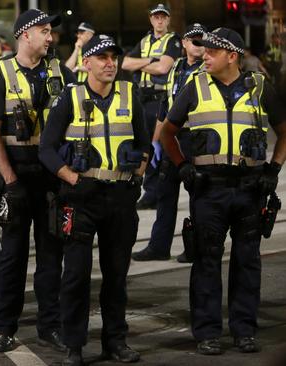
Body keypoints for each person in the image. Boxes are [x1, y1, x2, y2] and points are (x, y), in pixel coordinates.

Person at [160, 27, 286, 356]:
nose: (205, 56)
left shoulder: (260, 87)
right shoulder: (193, 87)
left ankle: (244, 330)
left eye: (212, 52)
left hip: (250, 187)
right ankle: (207, 332)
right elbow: (166, 133)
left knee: (247, 261)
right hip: (209, 187)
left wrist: (273, 168)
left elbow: (284, 131)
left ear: (232, 56)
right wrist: (182, 166)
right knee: (206, 261)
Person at [40, 34, 150, 365]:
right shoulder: (68, 98)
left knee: (116, 275)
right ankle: (74, 344)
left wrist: (137, 177)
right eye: (102, 57)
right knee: (75, 275)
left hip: (119, 197)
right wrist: (71, 177)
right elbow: (46, 148)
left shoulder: (131, 94)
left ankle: (115, 341)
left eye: (114, 57)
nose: (110, 63)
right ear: (86, 63)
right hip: (80, 198)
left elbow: (145, 143)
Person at [0, 9, 75, 353]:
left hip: (52, 178)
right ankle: (5, 326)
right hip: (17, 175)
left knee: (52, 257)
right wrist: (10, 181)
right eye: (44, 31)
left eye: (50, 32)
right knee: (13, 256)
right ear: (24, 35)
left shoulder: (61, 73)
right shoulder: (0, 73)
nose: (50, 38)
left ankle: (49, 326)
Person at [132, 23, 207, 262]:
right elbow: (165, 106)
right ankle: (159, 246)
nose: (199, 44)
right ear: (184, 43)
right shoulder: (176, 68)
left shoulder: (209, 69)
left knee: (198, 197)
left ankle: (196, 247)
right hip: (172, 138)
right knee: (165, 194)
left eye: (202, 40)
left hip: (196, 140)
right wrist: (156, 141)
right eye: (194, 40)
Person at [122, 3, 181, 210]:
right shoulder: (145, 40)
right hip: (142, 99)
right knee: (146, 145)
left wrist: (141, 64)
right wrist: (151, 61)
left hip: (160, 99)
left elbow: (164, 67)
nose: (159, 20)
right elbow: (125, 63)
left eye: (163, 17)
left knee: (158, 146)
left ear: (168, 20)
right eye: (156, 17)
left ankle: (155, 192)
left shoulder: (172, 40)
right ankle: (150, 191)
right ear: (151, 19)